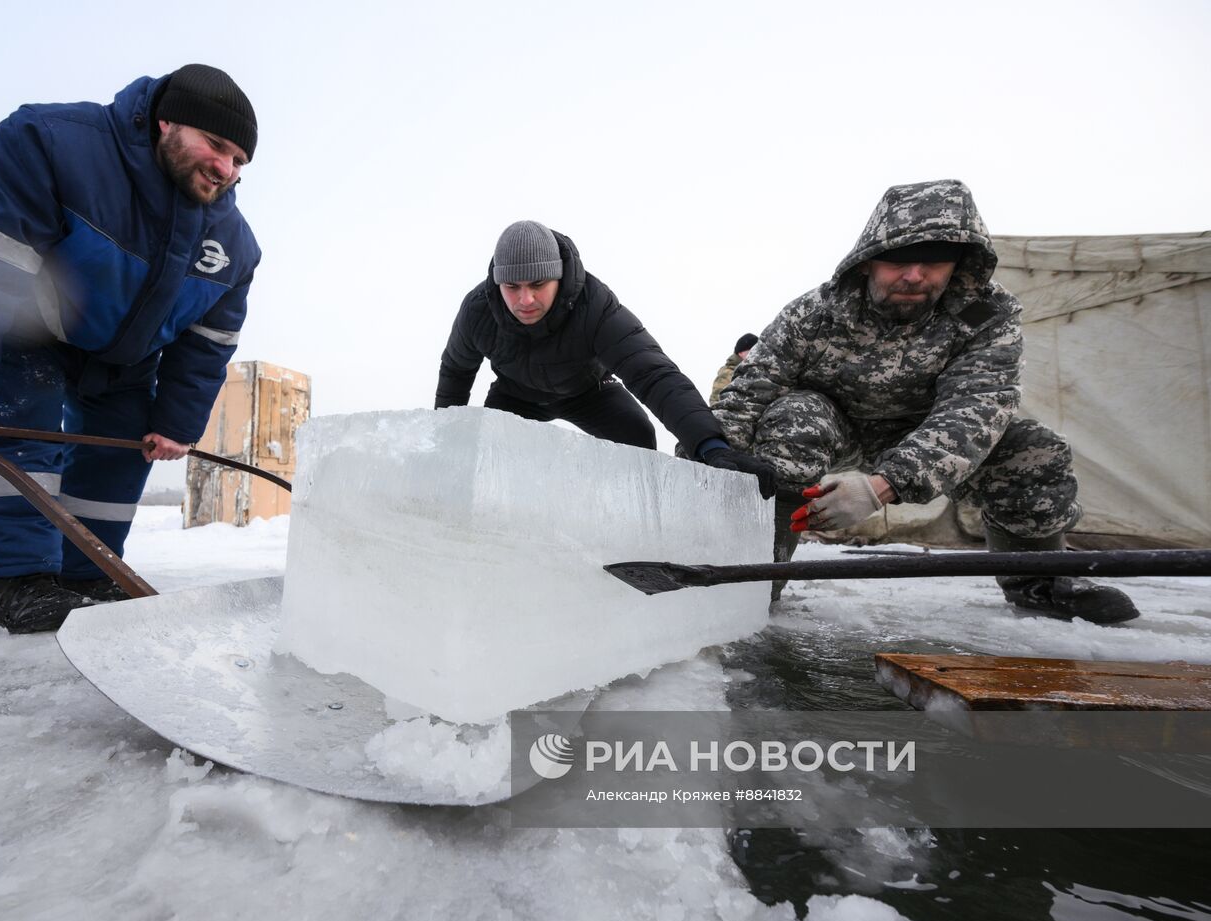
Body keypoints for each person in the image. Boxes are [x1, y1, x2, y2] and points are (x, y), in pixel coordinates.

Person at [0, 65, 261, 634]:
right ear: (167, 122)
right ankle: (23, 581)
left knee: (121, 444)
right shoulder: (55, 144)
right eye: (216, 145)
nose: (226, 169)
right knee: (23, 420)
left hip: (124, 357)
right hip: (28, 329)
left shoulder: (235, 246)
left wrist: (176, 422)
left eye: (239, 161)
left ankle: (87, 573)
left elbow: (206, 345)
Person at [713, 180, 1137, 623]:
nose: (914, 276)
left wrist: (885, 484)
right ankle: (753, 585)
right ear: (867, 261)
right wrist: (702, 465)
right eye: (897, 259)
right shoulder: (814, 313)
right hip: (833, 426)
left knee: (1034, 449)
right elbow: (748, 393)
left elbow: (975, 409)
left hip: (928, 435)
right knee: (794, 418)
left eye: (934, 261)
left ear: (959, 264)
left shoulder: (986, 317)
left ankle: (1041, 585)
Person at [435, 221, 775, 493]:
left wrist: (710, 445)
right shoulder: (478, 309)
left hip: (588, 393)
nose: (526, 299)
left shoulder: (594, 305)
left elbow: (653, 373)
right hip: (516, 395)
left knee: (638, 436)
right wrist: (444, 439)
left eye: (538, 284)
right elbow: (455, 371)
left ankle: (631, 526)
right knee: (485, 454)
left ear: (557, 275)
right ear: (498, 283)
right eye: (512, 287)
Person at [709, 333, 758, 405]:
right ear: (741, 353)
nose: (756, 353)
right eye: (752, 350)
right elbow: (716, 402)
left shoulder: (757, 369)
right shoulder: (728, 374)